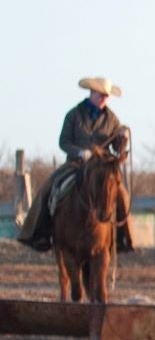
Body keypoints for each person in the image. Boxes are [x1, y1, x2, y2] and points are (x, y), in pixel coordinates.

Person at [18, 77, 133, 252]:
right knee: (49, 187)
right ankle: (40, 234)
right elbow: (63, 142)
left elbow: (117, 148)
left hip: (101, 168)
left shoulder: (112, 119)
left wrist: (122, 138)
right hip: (75, 164)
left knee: (121, 194)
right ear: (92, 93)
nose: (104, 99)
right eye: (101, 95)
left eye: (106, 96)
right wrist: (80, 152)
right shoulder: (73, 115)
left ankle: (124, 238)